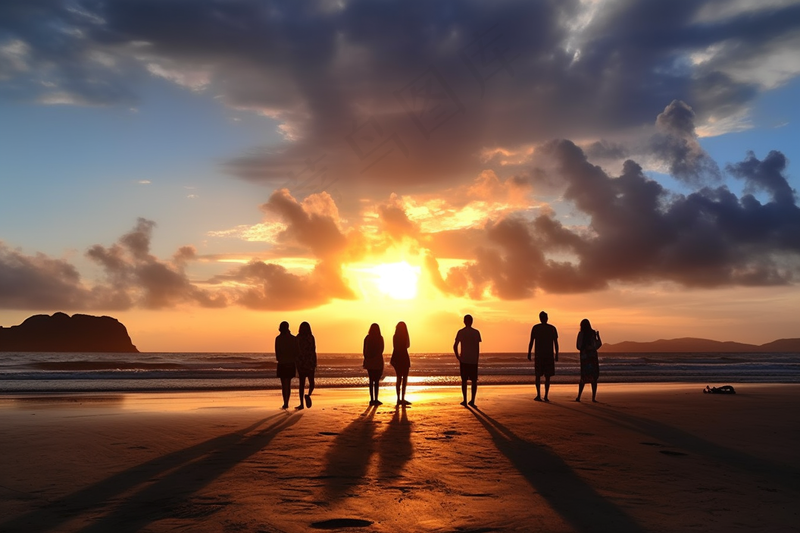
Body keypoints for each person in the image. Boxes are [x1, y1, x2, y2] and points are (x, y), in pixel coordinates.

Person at [528, 311, 559, 402]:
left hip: (539, 355)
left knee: (538, 375)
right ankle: (545, 395)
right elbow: (556, 343)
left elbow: (531, 342)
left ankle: (539, 395)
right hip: (548, 355)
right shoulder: (552, 328)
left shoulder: (536, 328)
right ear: (547, 318)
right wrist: (556, 354)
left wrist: (529, 352)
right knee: (547, 376)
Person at [454, 314, 482, 407]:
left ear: (464, 321)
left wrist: (458, 356)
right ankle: (472, 401)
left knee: (464, 381)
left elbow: (455, 345)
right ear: (472, 321)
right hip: (473, 360)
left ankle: (465, 400)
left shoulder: (461, 332)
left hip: (464, 359)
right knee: (474, 381)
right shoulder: (476, 332)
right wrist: (477, 358)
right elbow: (477, 347)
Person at [576, 318, 602, 402]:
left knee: (583, 377)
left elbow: (578, 346)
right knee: (593, 378)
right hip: (593, 357)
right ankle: (593, 398)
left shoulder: (581, 333)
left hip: (585, 357)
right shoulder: (593, 333)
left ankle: (579, 397)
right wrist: (598, 336)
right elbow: (598, 344)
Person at [274, 321, 298, 410]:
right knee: (288, 384)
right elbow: (296, 352)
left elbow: (277, 353)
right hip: (291, 363)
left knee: (284, 384)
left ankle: (285, 402)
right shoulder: (293, 338)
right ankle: (287, 401)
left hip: (282, 363)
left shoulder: (278, 338)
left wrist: (280, 358)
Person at [296, 321, 317, 409]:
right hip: (310, 362)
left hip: (301, 363)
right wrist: (315, 362)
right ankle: (308, 395)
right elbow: (313, 350)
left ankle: (301, 403)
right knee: (311, 382)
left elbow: (296, 351)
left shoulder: (298, 337)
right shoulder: (311, 337)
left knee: (302, 384)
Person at [363, 323, 385, 406]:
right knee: (376, 381)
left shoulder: (367, 338)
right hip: (377, 361)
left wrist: (367, 358)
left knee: (371, 380)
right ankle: (376, 399)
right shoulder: (380, 338)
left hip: (369, 362)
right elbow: (381, 350)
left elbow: (364, 350)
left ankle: (372, 399)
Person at [391, 321, 411, 406]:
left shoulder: (395, 336)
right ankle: (402, 398)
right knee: (405, 378)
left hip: (396, 357)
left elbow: (395, 347)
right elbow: (408, 345)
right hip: (404, 357)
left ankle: (398, 398)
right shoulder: (405, 336)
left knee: (398, 378)